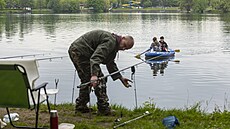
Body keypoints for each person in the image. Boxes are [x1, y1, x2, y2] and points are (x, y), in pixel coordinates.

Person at [68, 30, 134, 116]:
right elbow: (95, 58)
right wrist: (94, 75)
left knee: (87, 79)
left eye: (126, 49)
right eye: (124, 45)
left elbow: (110, 63)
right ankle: (103, 109)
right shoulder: (111, 41)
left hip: (78, 51)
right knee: (99, 79)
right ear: (123, 38)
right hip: (79, 51)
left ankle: (81, 107)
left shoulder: (114, 45)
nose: (123, 48)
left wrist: (121, 78)